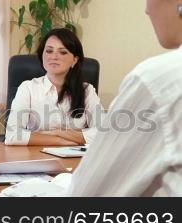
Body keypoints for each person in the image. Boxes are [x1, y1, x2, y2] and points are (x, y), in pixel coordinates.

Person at [67, 0, 182, 196]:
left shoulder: (156, 81)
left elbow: (87, 194)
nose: (146, 10)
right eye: (49, 51)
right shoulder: (28, 87)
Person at [5, 28, 104, 146]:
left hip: (76, 157)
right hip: (37, 157)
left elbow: (104, 131)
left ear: (74, 60)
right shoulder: (28, 88)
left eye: (62, 52)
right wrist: (59, 141)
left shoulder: (87, 90)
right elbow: (12, 135)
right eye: (49, 51)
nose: (54, 57)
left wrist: (58, 133)